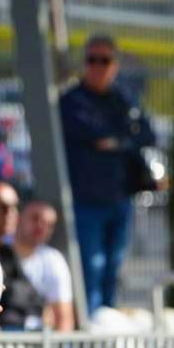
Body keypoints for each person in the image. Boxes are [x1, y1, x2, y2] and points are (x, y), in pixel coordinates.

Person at [59, 33, 158, 314]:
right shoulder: (72, 100)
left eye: (105, 60)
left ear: (115, 64)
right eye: (92, 60)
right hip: (85, 200)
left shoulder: (124, 99)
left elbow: (147, 134)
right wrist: (121, 138)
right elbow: (93, 133)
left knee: (113, 268)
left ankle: (107, 326)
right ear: (84, 64)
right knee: (90, 268)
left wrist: (114, 142)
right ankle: (91, 330)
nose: (98, 66)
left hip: (120, 198)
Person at [0, 181, 43, 331]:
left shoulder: (7, 251)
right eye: (4, 207)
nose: (12, 214)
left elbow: (35, 300)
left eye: (15, 207)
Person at [14, 201, 74, 331]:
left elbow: (64, 319)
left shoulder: (54, 260)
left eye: (49, 224)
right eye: (35, 218)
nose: (41, 226)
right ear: (19, 218)